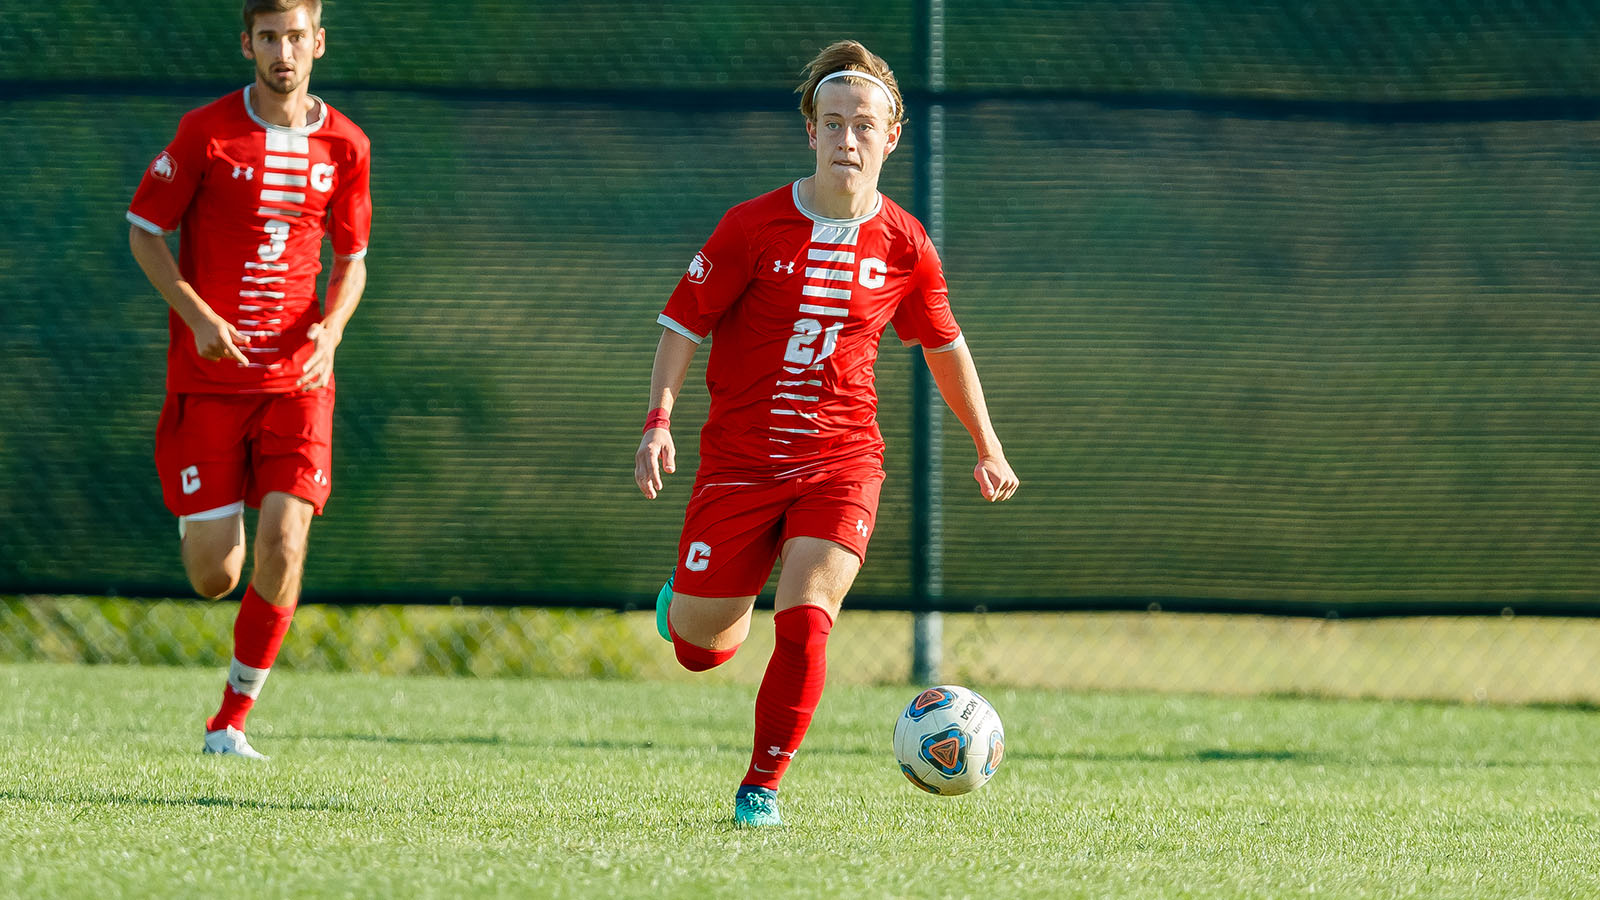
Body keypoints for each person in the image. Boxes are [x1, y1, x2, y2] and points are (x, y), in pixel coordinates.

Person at [633, 40, 1019, 827]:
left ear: (892, 136)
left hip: (842, 462)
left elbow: (946, 348)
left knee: (807, 617)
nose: (849, 139)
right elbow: (683, 322)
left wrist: (988, 444)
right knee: (701, 647)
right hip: (739, 464)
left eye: (864, 125)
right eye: (833, 123)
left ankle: (759, 791)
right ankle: (687, 605)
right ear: (811, 131)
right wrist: (658, 420)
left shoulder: (906, 243)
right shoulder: (752, 226)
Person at [126, 0, 371, 760]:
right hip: (210, 379)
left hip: (299, 380)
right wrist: (198, 316)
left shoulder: (347, 144)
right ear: (248, 44)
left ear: (318, 42)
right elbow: (143, 230)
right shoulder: (206, 133)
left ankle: (231, 719)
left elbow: (353, 260)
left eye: (296, 36)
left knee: (286, 543)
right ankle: (207, 517)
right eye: (269, 37)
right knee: (214, 573)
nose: (283, 51)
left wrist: (331, 329)